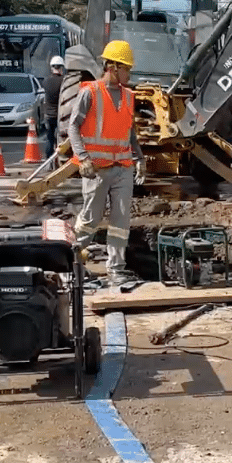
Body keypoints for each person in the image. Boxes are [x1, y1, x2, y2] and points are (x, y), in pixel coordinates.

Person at [66, 40, 147, 286]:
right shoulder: (90, 92)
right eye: (126, 69)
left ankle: (117, 269)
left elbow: (129, 131)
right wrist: (83, 158)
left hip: (123, 168)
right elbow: (73, 127)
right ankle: (71, 262)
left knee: (121, 222)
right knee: (90, 218)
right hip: (97, 170)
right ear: (112, 66)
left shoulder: (128, 95)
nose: (129, 74)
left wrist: (139, 158)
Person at [42, 56, 66, 159]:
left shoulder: (46, 81)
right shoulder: (64, 81)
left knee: (50, 138)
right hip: (60, 115)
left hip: (48, 115)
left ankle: (49, 159)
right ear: (61, 68)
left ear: (52, 68)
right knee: (62, 138)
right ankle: (61, 157)